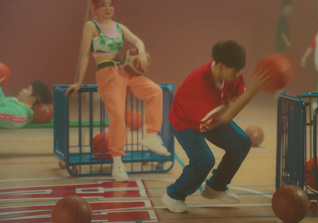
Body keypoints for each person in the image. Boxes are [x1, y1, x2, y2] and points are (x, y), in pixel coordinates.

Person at [65, 0, 169, 182]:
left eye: (111, 5)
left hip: (123, 71)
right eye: (103, 5)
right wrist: (78, 82)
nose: (108, 8)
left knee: (155, 91)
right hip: (107, 74)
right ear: (95, 8)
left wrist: (142, 52)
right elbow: (84, 55)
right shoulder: (91, 26)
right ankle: (117, 162)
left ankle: (151, 135)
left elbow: (137, 40)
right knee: (118, 117)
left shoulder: (119, 26)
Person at [162, 40, 269, 213]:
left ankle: (216, 187)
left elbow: (235, 102)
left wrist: (250, 90)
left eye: (240, 69)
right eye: (235, 70)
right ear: (220, 66)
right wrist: (253, 90)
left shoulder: (232, 77)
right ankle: (174, 195)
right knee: (204, 160)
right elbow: (226, 116)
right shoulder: (198, 82)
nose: (239, 73)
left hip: (210, 118)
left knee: (242, 142)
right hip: (185, 122)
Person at [275, 0, 294, 98]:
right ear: (286, 7)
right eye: (290, 6)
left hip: (282, 48)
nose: (292, 9)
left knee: (283, 69)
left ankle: (280, 91)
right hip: (283, 48)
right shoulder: (283, 19)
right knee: (284, 69)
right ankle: (279, 92)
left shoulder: (284, 18)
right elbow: (283, 33)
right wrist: (288, 43)